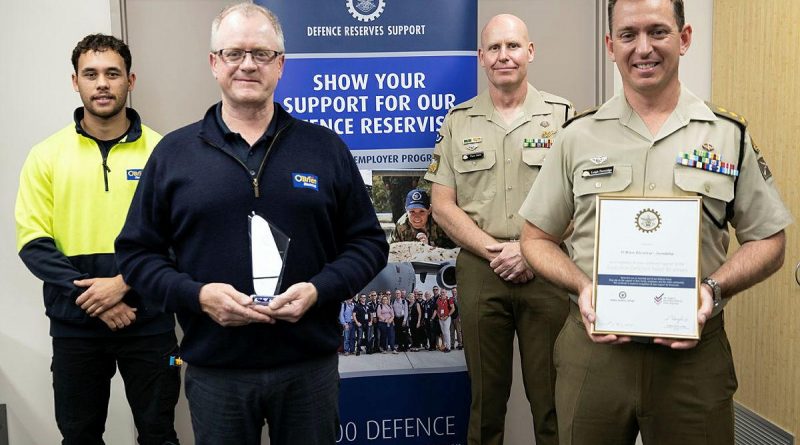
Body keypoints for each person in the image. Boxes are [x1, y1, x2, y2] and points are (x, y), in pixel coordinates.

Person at [114, 3, 388, 444]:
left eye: (261, 54)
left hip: (308, 369)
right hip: (215, 372)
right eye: (233, 53)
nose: (247, 64)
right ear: (213, 63)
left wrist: (320, 290)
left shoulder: (324, 148)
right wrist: (198, 296)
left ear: (281, 65)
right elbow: (136, 253)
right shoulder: (174, 154)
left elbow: (369, 243)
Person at [518, 1, 790, 444]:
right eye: (628, 35)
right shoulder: (576, 136)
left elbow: (770, 241)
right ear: (610, 45)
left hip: (693, 360)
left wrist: (712, 291)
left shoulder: (725, 135)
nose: (643, 48)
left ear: (684, 38)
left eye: (658, 32)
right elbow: (535, 239)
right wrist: (582, 287)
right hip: (594, 355)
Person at [14, 34, 180, 445]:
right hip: (74, 327)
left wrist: (124, 285)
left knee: (159, 433)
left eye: (112, 73)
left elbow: (178, 239)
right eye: (91, 74)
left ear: (131, 80)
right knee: (79, 435)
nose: (102, 83)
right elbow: (33, 242)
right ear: (76, 82)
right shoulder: (45, 155)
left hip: (150, 321)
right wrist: (93, 299)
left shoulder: (165, 152)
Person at [424, 13, 573, 445]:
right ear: (481, 58)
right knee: (485, 401)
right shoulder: (458, 121)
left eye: (512, 46)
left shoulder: (564, 119)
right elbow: (442, 205)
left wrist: (529, 251)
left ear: (530, 52)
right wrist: (496, 251)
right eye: (494, 48)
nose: (503, 55)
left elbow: (582, 201)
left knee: (552, 401)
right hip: (480, 271)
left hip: (547, 270)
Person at [390, 189, 456, 248]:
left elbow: (455, 250)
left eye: (422, 211)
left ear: (429, 210)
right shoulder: (401, 226)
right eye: (412, 212)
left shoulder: (440, 223)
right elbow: (390, 251)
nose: (417, 216)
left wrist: (429, 247)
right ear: (406, 210)